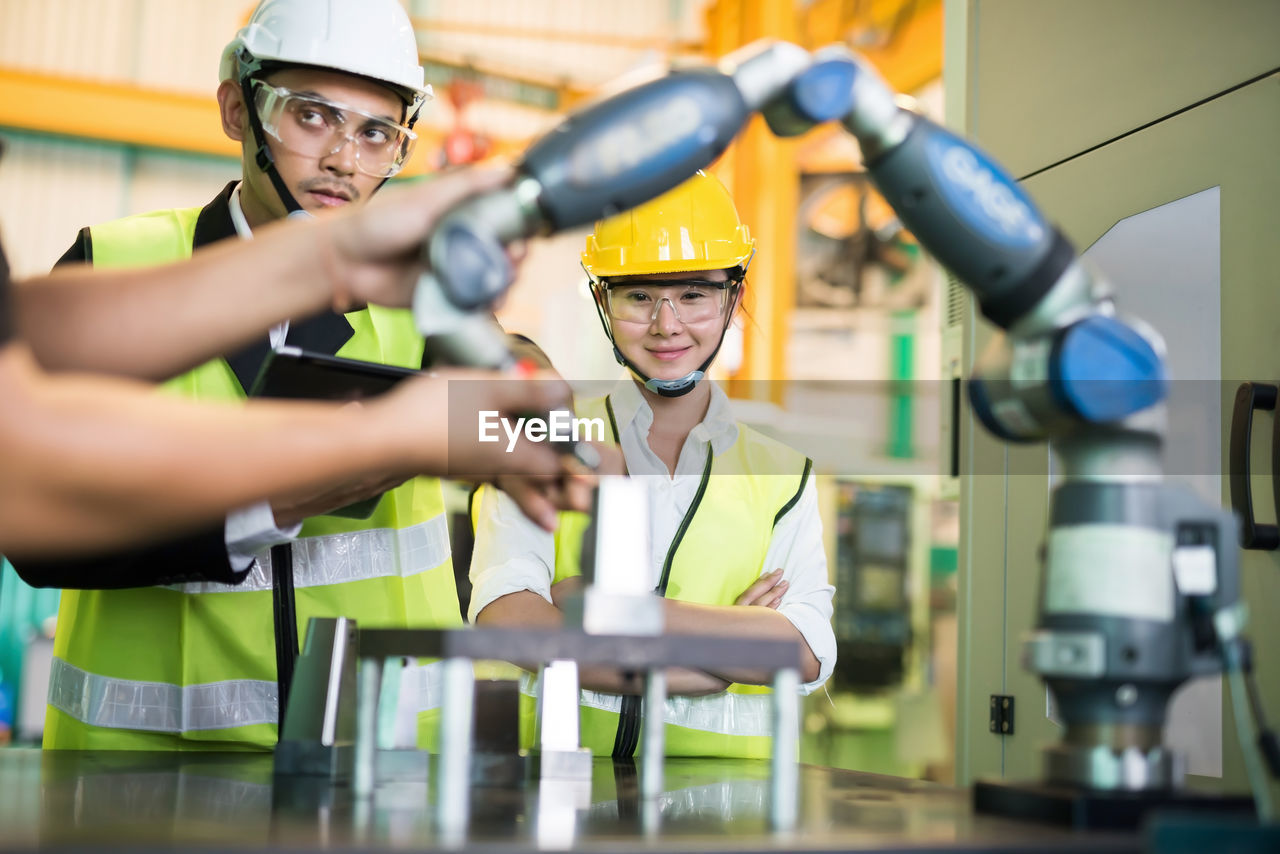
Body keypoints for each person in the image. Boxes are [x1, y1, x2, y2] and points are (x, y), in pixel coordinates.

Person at [7, 0, 567, 752]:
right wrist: (347, 458)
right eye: (312, 117)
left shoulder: (433, 303)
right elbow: (37, 539)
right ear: (238, 108)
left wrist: (538, 396)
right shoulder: (110, 265)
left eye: (376, 133)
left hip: (379, 766)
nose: (343, 159)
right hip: (141, 780)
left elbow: (546, 430)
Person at [469, 171, 835, 759]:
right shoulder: (542, 438)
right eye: (639, 296)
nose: (667, 325)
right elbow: (506, 616)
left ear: (732, 299)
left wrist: (613, 612)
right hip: (563, 795)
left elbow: (804, 650)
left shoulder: (784, 475)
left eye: (693, 295)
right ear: (603, 301)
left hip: (732, 814)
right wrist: (720, 657)